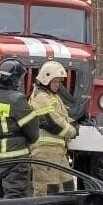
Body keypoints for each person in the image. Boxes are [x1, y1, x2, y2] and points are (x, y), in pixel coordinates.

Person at [0, 57, 39, 201]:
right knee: (15, 195)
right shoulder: (17, 99)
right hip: (15, 158)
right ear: (13, 80)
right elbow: (33, 133)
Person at [28, 60, 77, 195]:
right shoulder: (41, 97)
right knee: (47, 190)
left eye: (59, 82)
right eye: (55, 81)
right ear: (45, 80)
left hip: (57, 151)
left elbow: (62, 117)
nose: (58, 85)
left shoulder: (52, 96)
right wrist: (72, 130)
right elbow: (53, 122)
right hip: (45, 151)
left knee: (66, 186)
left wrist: (73, 122)